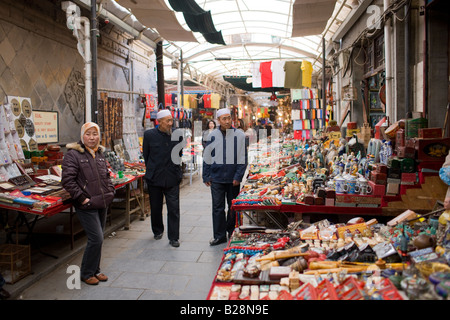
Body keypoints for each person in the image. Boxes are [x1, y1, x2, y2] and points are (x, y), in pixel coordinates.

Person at [62, 122, 115, 285]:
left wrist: (110, 191)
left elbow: (106, 175)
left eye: (95, 134)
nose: (92, 138)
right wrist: (83, 198)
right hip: (87, 204)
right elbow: (67, 180)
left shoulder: (99, 153)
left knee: (100, 238)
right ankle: (86, 273)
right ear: (82, 136)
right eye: (88, 134)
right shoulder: (73, 154)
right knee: (96, 238)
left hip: (102, 202)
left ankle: (95, 270)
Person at [203, 108, 248, 246]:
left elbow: (243, 157)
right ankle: (219, 235)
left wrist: (238, 176)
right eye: (224, 118)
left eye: (229, 118)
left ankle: (232, 231)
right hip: (216, 177)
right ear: (218, 120)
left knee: (233, 207)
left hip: (233, 178)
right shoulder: (211, 136)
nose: (227, 121)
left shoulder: (240, 135)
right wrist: (206, 175)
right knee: (217, 208)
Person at [143, 109, 184, 247]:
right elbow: (146, 156)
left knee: (174, 208)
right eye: (167, 121)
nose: (170, 123)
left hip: (172, 177)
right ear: (159, 122)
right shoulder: (149, 135)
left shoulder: (177, 135)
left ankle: (174, 237)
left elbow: (179, 155)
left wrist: (178, 173)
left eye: (171, 120)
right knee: (155, 207)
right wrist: (152, 170)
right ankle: (157, 230)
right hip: (155, 177)